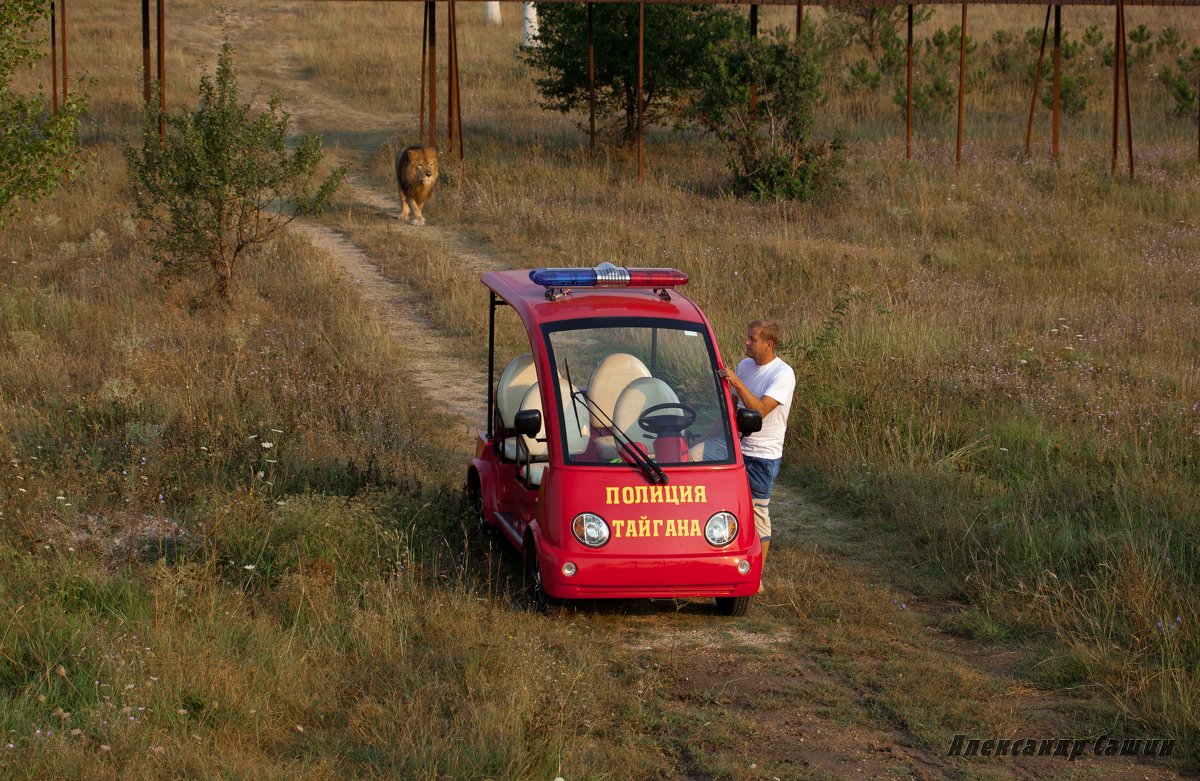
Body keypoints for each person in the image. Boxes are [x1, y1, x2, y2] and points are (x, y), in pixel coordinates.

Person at [718, 320, 795, 565]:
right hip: (736, 448)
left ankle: (757, 576)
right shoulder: (745, 365)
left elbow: (760, 410)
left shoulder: (783, 374)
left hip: (762, 455)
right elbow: (735, 404)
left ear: (768, 344)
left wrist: (737, 383)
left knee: (757, 513)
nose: (747, 342)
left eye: (752, 339)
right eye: (747, 337)